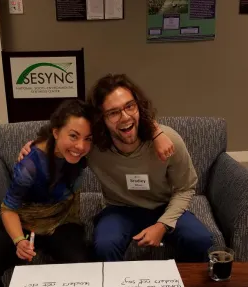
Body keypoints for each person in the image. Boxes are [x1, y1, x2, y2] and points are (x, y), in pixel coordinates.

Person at [19, 74, 212, 262]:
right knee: (104, 246)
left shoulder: (168, 140)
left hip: (163, 206)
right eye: (113, 113)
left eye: (130, 106)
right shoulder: (93, 146)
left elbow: (185, 188)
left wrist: (162, 225)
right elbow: (65, 134)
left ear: (139, 107)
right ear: (100, 119)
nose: (125, 117)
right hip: (119, 209)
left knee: (200, 240)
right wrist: (37, 147)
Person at [0, 99, 94, 287]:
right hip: (26, 222)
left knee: (83, 265)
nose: (81, 146)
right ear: (56, 132)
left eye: (88, 138)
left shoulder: (85, 152)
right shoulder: (30, 166)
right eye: (73, 136)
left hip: (63, 221)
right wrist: (19, 241)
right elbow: (8, 208)